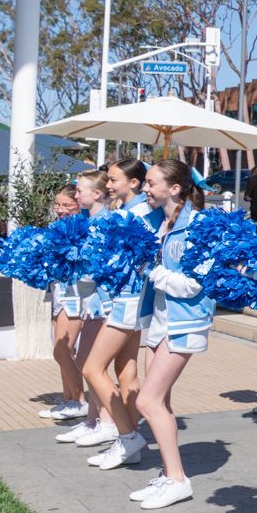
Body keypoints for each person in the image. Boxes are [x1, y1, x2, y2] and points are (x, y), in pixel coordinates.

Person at [130, 159, 213, 511]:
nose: (144, 189)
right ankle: (168, 475)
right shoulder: (161, 222)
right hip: (162, 320)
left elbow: (193, 284)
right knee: (159, 401)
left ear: (174, 188)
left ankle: (178, 479)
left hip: (185, 321)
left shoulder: (199, 226)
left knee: (146, 401)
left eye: (151, 183)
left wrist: (150, 270)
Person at [79, 160, 156, 470]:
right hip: (128, 299)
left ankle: (127, 435)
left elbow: (123, 260)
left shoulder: (132, 215)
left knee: (92, 368)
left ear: (133, 183)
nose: (108, 185)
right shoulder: (132, 212)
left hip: (126, 299)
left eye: (113, 180)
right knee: (126, 372)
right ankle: (129, 441)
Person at [54, 171, 114, 447]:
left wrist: (73, 266)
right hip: (89, 299)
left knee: (92, 365)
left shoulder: (105, 222)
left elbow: (101, 267)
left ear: (97, 194)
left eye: (80, 191)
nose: (76, 196)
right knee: (86, 362)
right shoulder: (87, 221)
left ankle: (111, 423)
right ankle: (93, 421)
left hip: (102, 301)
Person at [40, 185, 90, 423]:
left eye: (66, 205)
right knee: (62, 351)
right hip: (60, 292)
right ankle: (68, 398)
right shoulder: (56, 228)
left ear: (78, 204)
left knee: (63, 350)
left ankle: (78, 401)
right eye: (57, 205)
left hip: (76, 294)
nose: (60, 210)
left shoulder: (84, 229)